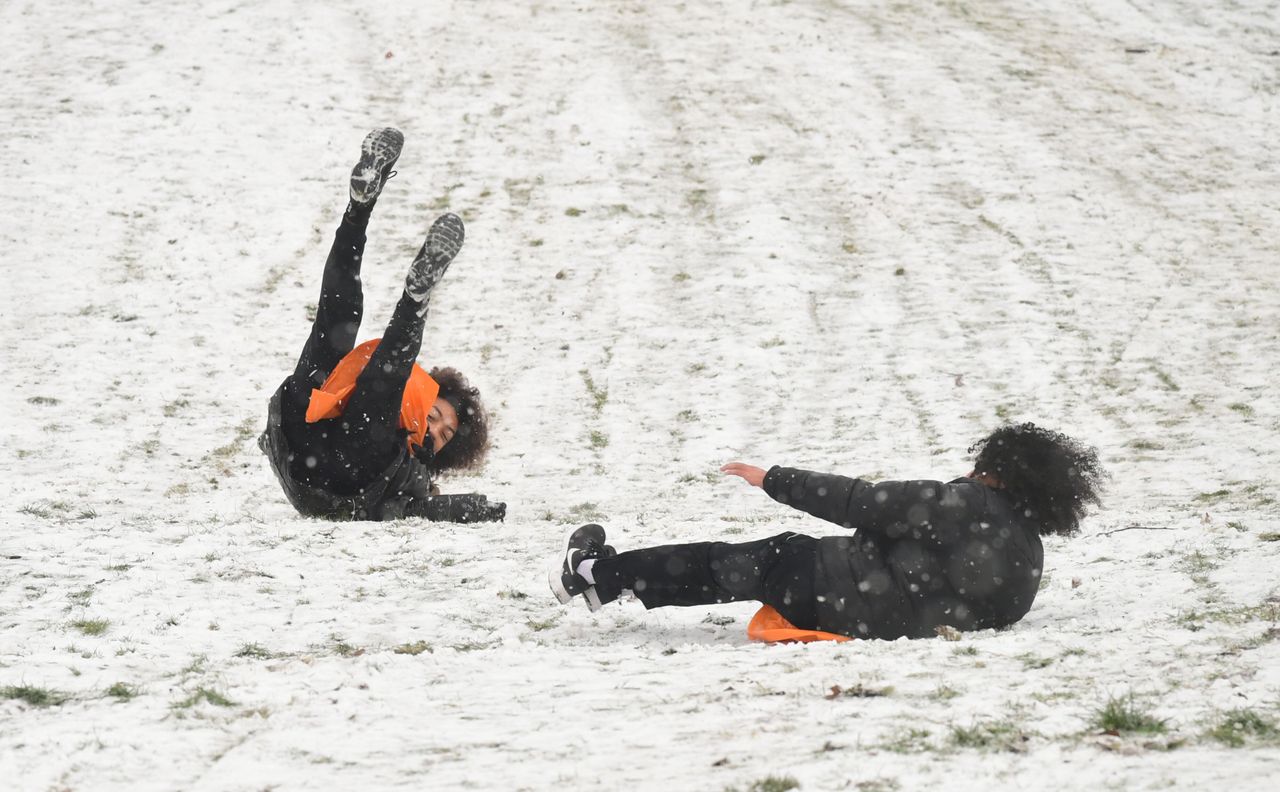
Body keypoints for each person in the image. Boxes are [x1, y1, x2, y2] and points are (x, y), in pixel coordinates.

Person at [551, 423, 1105, 639]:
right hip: (885, 621)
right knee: (746, 566)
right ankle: (608, 577)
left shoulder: (962, 501)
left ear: (996, 469)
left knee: (726, 563)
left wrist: (772, 478)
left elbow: (860, 502)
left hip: (829, 587)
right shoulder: (1029, 550)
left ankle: (593, 573)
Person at [258, 128, 505, 523]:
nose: (434, 430)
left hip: (334, 474)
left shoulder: (413, 473)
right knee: (338, 321)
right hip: (301, 421)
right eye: (438, 416)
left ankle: (415, 300)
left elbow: (417, 509)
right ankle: (359, 206)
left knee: (383, 386)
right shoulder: (403, 448)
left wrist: (473, 507)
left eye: (442, 437)